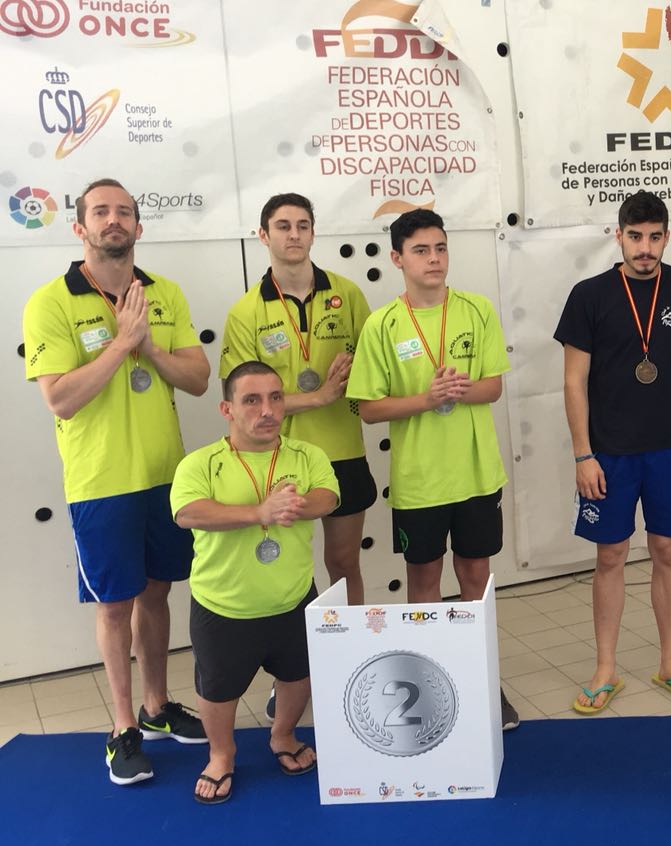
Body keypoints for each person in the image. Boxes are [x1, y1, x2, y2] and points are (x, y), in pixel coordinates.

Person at [22, 178, 209, 785]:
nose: (114, 220)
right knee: (114, 605)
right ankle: (123, 727)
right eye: (100, 211)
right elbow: (61, 398)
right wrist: (122, 343)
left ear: (138, 226)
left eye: (124, 211)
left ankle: (156, 708)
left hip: (165, 476)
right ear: (80, 227)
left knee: (157, 593)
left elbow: (198, 379)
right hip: (100, 482)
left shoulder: (164, 292)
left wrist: (148, 347)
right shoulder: (51, 302)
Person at [347, 208, 520, 730]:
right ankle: (429, 684)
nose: (434, 259)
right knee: (423, 582)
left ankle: (482, 679)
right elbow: (368, 407)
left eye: (441, 248)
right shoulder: (383, 324)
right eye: (421, 250)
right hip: (420, 482)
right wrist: (427, 398)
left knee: (475, 578)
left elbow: (493, 386)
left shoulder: (476, 310)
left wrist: (458, 391)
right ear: (397, 259)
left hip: (475, 475)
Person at [555, 191, 671, 713]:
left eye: (654, 237)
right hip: (610, 455)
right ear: (618, 235)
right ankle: (605, 669)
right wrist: (583, 455)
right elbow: (573, 382)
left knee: (668, 553)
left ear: (667, 237)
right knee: (611, 557)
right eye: (635, 236)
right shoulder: (589, 295)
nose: (645, 248)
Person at [221, 193, 374, 723]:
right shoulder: (247, 311)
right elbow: (245, 399)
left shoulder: (348, 294)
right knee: (288, 573)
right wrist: (317, 396)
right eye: (282, 226)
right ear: (263, 235)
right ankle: (291, 676)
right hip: (277, 461)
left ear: (313, 232)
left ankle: (351, 656)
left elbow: (370, 367)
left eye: (303, 225)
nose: (294, 234)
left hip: (343, 453)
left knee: (344, 563)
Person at [171, 363, 338, 804]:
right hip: (223, 605)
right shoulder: (200, 463)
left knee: (298, 675)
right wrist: (258, 513)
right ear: (226, 409)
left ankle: (283, 736)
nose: (267, 410)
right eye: (251, 400)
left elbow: (328, 496)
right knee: (217, 689)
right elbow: (187, 512)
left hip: (293, 598)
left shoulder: (307, 456)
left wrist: (293, 506)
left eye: (275, 398)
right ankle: (221, 755)